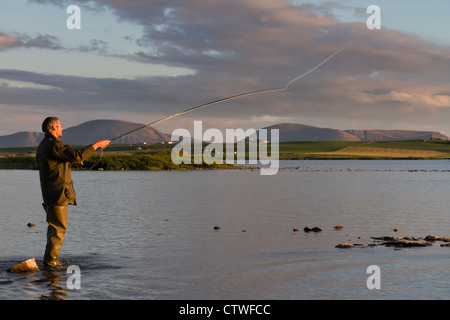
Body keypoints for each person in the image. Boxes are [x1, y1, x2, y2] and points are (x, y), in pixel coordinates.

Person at [37, 117, 110, 268]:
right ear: (53, 128)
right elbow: (77, 155)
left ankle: (49, 261)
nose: (62, 128)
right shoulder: (54, 144)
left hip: (50, 193)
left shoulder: (44, 144)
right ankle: (51, 262)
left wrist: (69, 160)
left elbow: (58, 160)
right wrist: (97, 145)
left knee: (54, 228)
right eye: (60, 126)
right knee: (58, 229)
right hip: (57, 194)